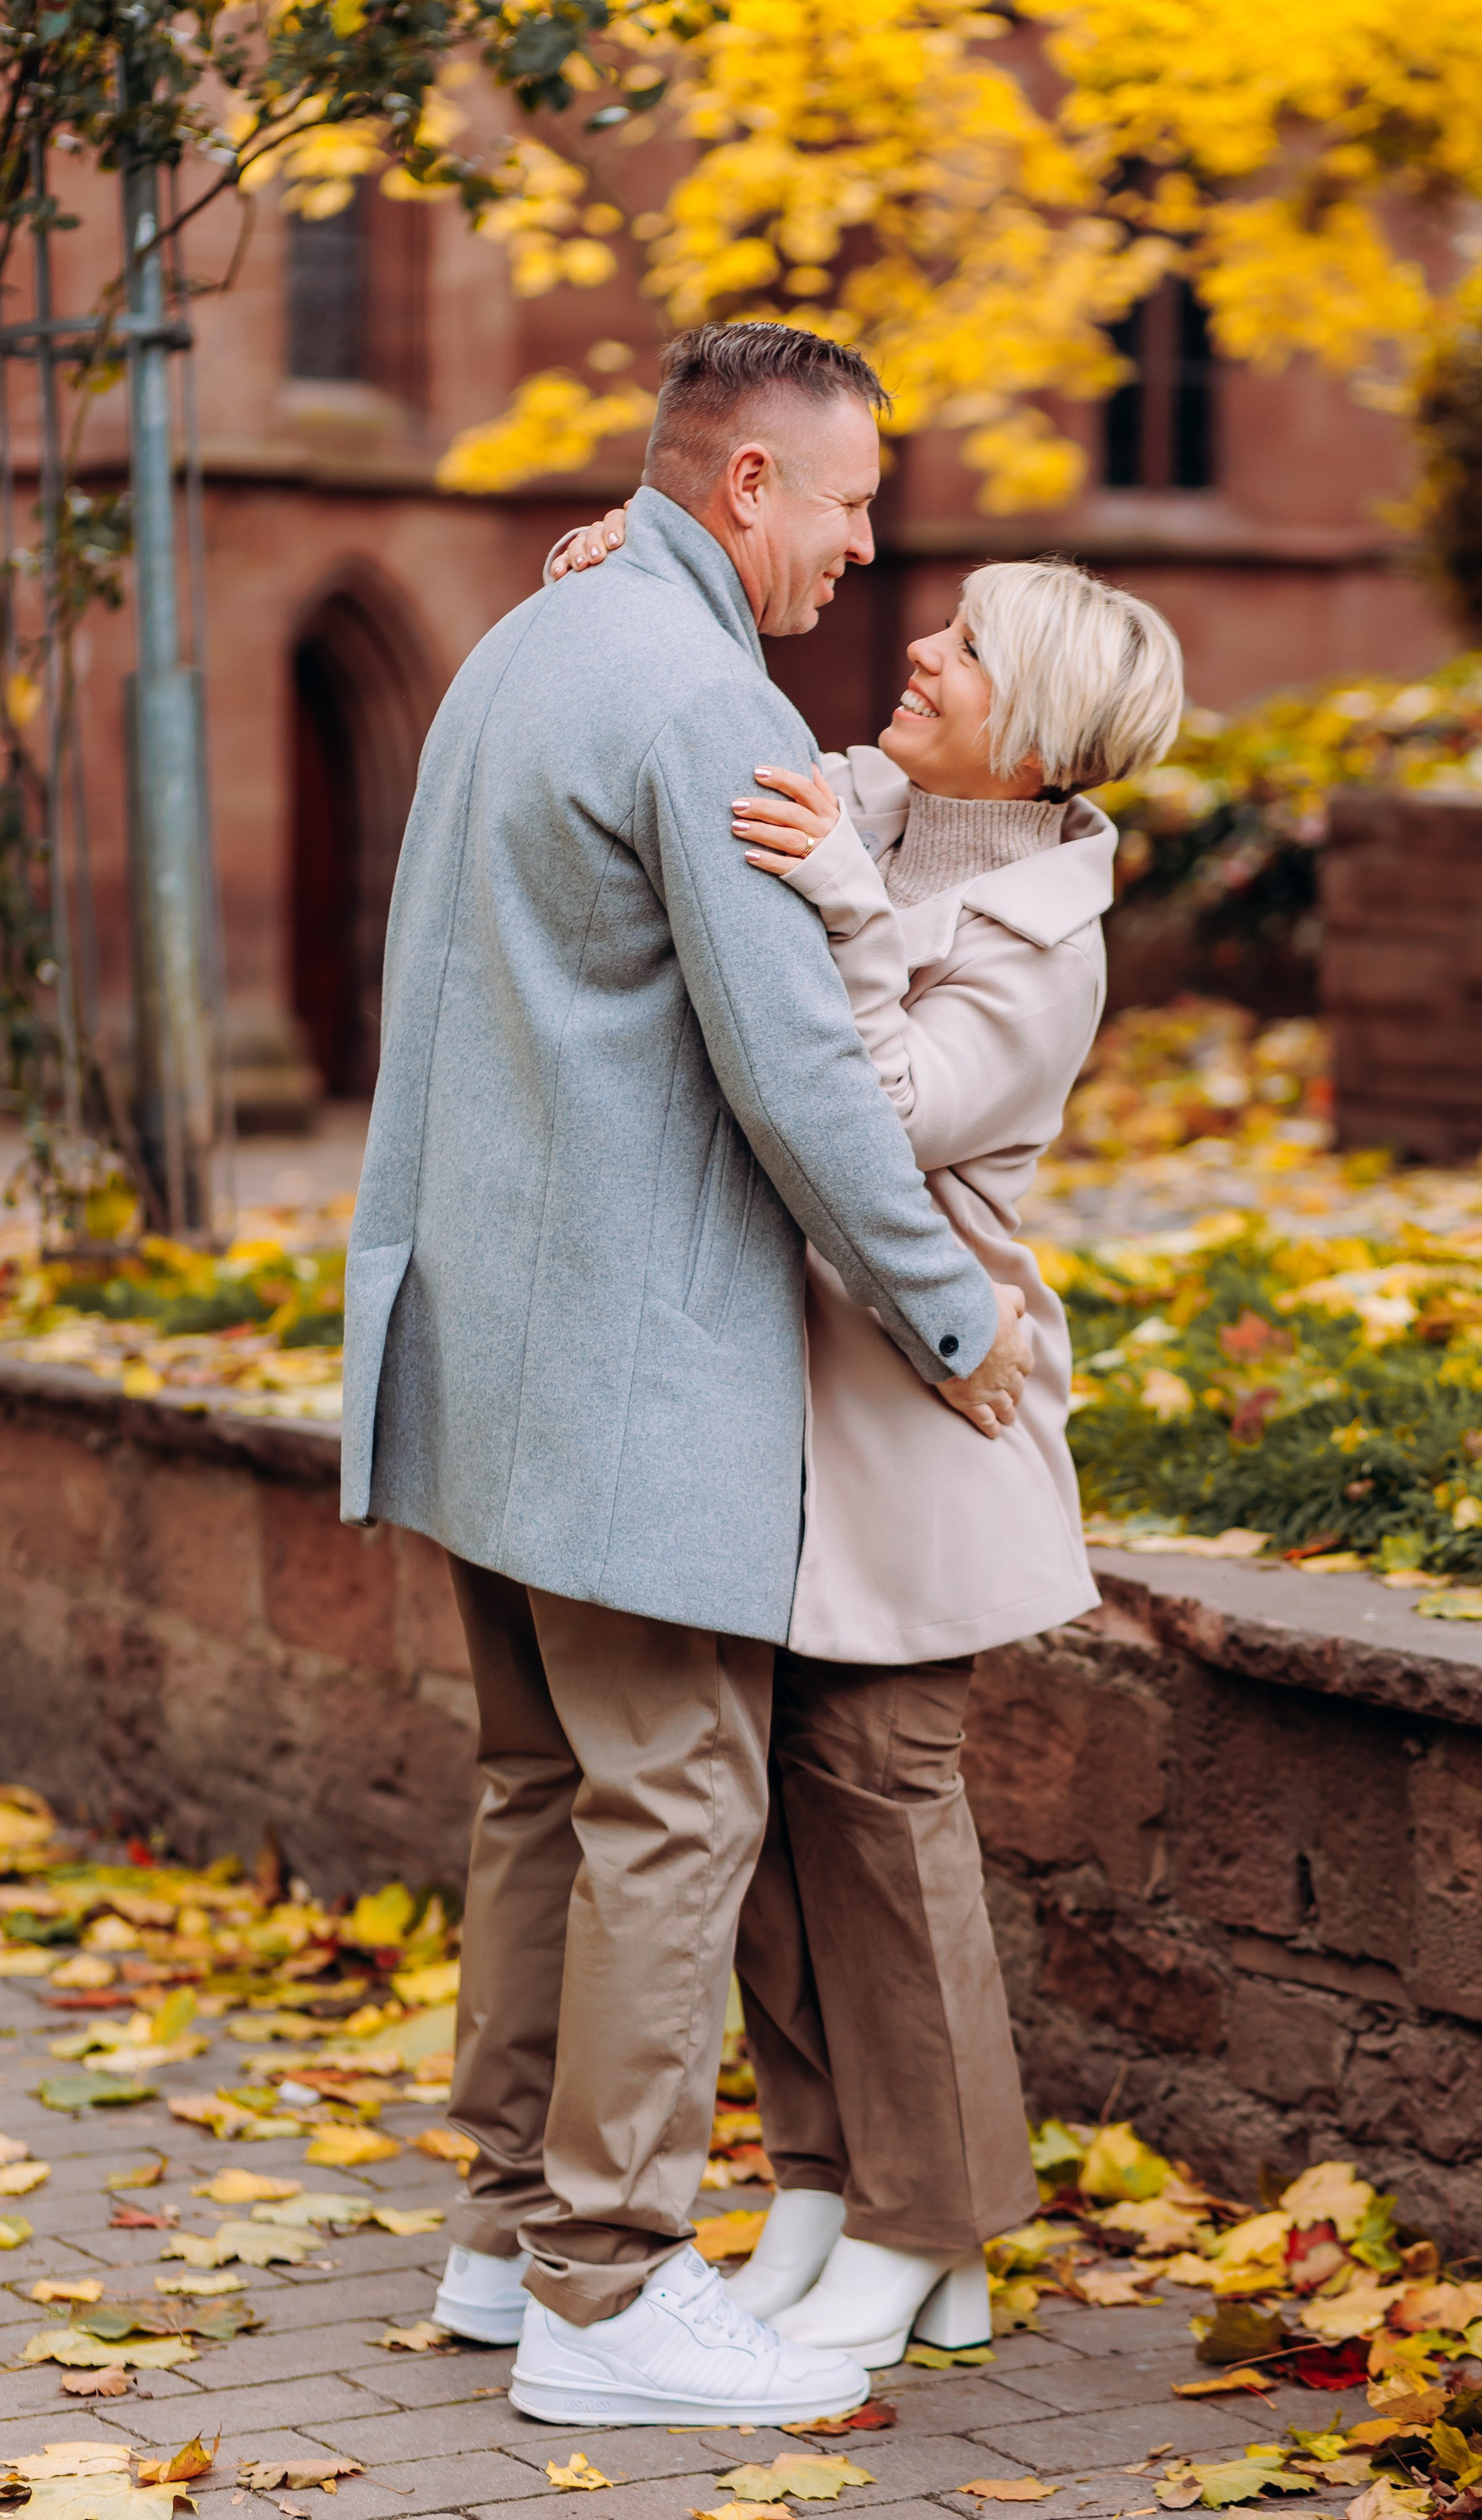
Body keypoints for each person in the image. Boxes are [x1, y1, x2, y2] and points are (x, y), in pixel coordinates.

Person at [340, 321, 1037, 2429]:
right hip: (623, 1362)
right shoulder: (696, 692)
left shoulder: (521, 645)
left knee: (545, 1787)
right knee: (679, 1798)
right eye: (847, 503)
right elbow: (804, 1076)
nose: (865, 547)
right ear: (745, 484)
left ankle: (502, 2242)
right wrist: (953, 1306)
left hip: (466, 1326)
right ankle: (614, 2294)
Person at [552, 515, 1184, 2364]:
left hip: (928, 1411)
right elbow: (695, 724)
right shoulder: (875, 800)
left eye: (969, 653)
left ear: (1045, 745)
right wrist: (628, 560)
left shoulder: (1047, 937)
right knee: (773, 1822)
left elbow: (883, 1114)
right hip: (786, 1396)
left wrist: (836, 903)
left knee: (888, 1815)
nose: (919, 651)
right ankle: (834, 2187)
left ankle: (932, 2216)